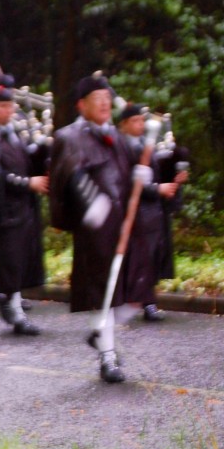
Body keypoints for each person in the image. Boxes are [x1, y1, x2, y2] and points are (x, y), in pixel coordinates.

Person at [49, 74, 142, 383]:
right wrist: (91, 202)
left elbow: (130, 170)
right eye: (96, 98)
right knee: (105, 289)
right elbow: (68, 175)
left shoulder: (115, 134)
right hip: (95, 226)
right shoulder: (70, 136)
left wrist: (143, 172)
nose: (104, 103)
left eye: (107, 98)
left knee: (133, 286)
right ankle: (107, 356)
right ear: (81, 105)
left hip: (122, 222)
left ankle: (100, 334)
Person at [0, 82, 48, 335]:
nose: (8, 110)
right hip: (2, 212)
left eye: (10, 105)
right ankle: (13, 308)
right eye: (2, 106)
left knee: (21, 260)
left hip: (23, 209)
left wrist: (42, 150)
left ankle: (11, 301)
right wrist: (27, 184)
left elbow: (25, 162)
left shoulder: (15, 133)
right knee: (9, 262)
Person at [117, 104, 184, 322]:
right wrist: (158, 188)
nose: (140, 125)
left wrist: (173, 180)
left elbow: (154, 173)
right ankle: (138, 302)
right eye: (135, 121)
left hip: (152, 210)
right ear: (124, 124)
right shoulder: (122, 148)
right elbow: (130, 182)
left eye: (141, 121)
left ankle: (147, 301)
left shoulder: (145, 146)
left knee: (152, 255)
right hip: (134, 211)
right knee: (138, 258)